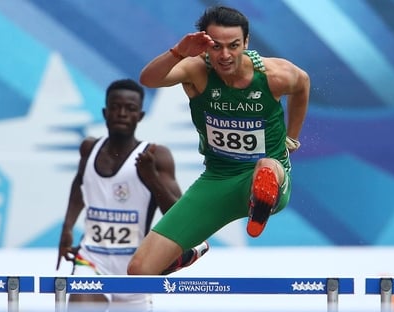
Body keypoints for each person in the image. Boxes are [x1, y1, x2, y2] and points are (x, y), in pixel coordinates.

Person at [49, 78, 208, 312]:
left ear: (140, 115)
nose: (121, 113)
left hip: (137, 268)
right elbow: (79, 184)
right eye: (115, 107)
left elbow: (180, 216)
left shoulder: (155, 156)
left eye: (129, 108)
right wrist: (68, 227)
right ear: (105, 112)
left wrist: (151, 179)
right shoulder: (89, 149)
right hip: (93, 260)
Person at [128, 5, 310, 277]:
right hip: (216, 181)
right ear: (205, 45)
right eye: (217, 47)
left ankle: (261, 199)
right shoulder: (196, 70)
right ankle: (190, 251)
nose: (225, 56)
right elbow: (149, 79)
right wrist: (179, 51)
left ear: (246, 42)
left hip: (266, 179)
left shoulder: (274, 75)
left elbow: (302, 84)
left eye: (234, 45)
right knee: (139, 270)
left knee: (267, 165)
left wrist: (291, 138)